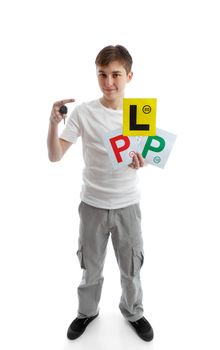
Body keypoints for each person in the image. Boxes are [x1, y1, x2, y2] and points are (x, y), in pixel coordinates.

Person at [47, 45, 154, 342]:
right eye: (102, 75)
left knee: (131, 266)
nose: (109, 83)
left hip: (127, 205)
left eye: (116, 75)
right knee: (90, 267)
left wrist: (141, 161)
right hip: (92, 204)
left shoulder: (139, 112)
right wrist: (53, 124)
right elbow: (55, 157)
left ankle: (133, 312)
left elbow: (145, 155)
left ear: (129, 76)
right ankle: (87, 312)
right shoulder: (83, 113)